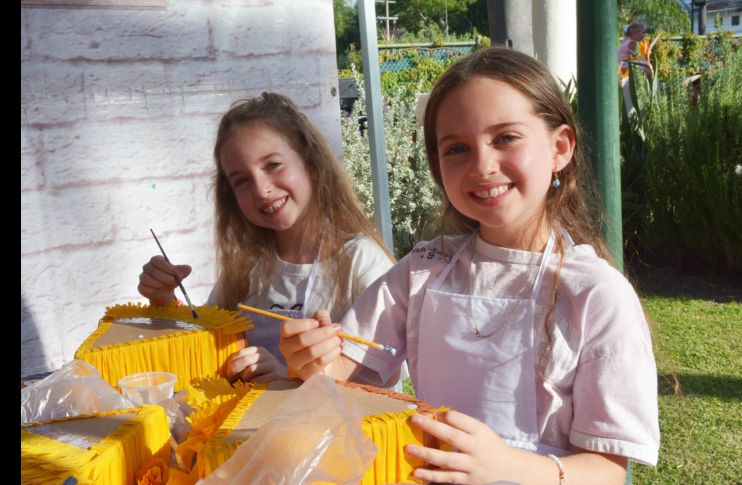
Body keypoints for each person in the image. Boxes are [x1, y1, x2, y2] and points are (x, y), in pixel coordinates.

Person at [280, 48, 659, 484]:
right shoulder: (422, 270)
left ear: (559, 148)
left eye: (505, 138)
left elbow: (606, 472)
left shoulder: (595, 294)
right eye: (457, 148)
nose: (482, 166)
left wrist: (506, 467)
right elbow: (341, 373)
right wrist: (310, 358)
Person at [137, 92, 395, 383]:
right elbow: (207, 340)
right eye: (242, 181)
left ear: (310, 163)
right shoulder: (247, 266)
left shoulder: (360, 261)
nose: (261, 190)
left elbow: (388, 383)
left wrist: (288, 379)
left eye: (272, 165)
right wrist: (166, 301)